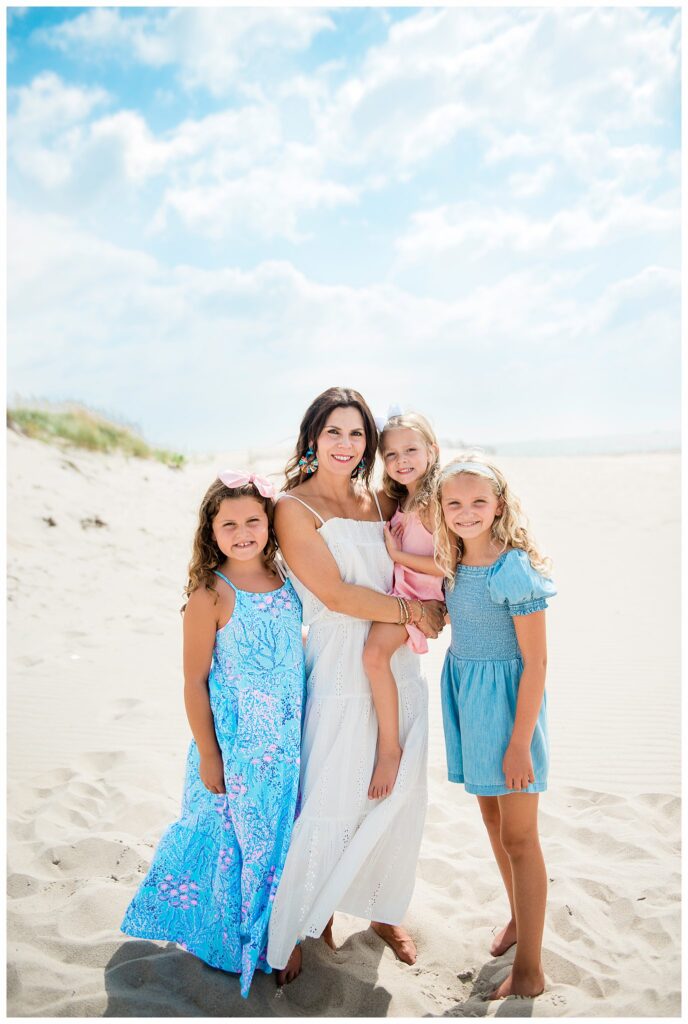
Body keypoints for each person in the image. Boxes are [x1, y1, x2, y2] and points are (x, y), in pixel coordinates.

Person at [265, 387, 445, 985]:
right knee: (331, 796)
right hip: (342, 666)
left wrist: (434, 609)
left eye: (357, 434)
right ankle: (300, 923)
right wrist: (410, 614)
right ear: (312, 437)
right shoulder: (293, 507)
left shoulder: (378, 499)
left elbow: (427, 557)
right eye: (334, 432)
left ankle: (382, 910)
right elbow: (336, 596)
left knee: (396, 799)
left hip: (397, 667)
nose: (347, 445)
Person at [121, 471, 305, 998]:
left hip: (287, 743)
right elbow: (193, 680)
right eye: (230, 524)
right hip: (238, 745)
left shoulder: (287, 580)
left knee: (282, 838)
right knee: (238, 842)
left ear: (269, 523)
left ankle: (280, 932)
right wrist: (208, 753)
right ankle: (243, 941)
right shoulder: (210, 593)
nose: (243, 531)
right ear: (211, 531)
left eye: (253, 520)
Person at [434, 453, 556, 999]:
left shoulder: (513, 569)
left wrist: (519, 743)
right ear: (440, 508)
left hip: (511, 712)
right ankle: (516, 915)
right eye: (454, 503)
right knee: (489, 817)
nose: (466, 512)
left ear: (499, 505)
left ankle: (531, 967)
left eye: (478, 501)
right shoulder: (452, 562)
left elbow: (537, 663)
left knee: (520, 836)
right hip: (469, 702)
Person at [363, 411, 445, 799]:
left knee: (374, 655)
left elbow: (449, 563)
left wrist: (399, 555)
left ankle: (389, 748)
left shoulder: (432, 503)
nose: (402, 460)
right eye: (391, 455)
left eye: (411, 450)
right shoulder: (403, 499)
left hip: (421, 595)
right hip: (403, 590)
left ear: (432, 450)